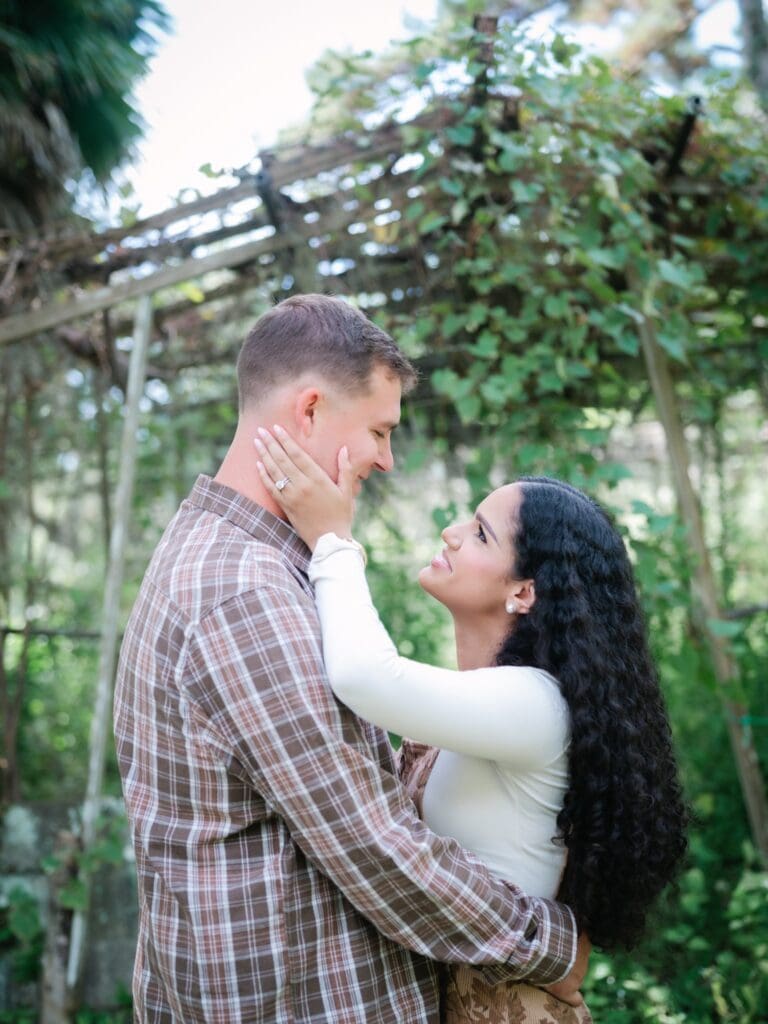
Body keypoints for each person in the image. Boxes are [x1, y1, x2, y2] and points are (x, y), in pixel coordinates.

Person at [113, 293, 588, 1024]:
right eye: (378, 430)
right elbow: (374, 845)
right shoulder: (246, 595)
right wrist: (551, 945)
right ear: (309, 411)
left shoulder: (239, 559)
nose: (386, 459)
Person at [253, 426, 689, 1024]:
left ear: (524, 591)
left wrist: (333, 540)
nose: (451, 533)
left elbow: (364, 676)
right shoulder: (490, 700)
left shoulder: (533, 702)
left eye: (481, 533)